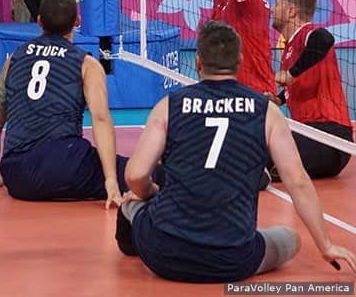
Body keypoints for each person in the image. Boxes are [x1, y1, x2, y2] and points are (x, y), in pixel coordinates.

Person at [116, 20, 356, 282]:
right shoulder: (266, 111)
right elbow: (297, 181)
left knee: (134, 201)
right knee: (291, 240)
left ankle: (129, 244)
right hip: (233, 260)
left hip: (163, 254)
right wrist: (325, 245)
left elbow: (135, 175)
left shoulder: (169, 105)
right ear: (240, 61)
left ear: (198, 62)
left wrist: (150, 194)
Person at [0, 0, 126, 204]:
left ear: (39, 21)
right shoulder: (86, 63)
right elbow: (100, 118)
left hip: (17, 177)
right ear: (77, 21)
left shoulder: (14, 60)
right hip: (66, 165)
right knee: (144, 172)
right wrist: (110, 179)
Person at [270, 0, 353, 179]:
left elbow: (325, 39)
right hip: (308, 133)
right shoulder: (290, 48)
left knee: (265, 154)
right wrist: (278, 99)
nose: (273, 8)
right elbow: (299, 84)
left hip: (329, 136)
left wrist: (290, 74)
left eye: (278, 3)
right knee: (258, 145)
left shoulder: (308, 34)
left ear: (291, 11)